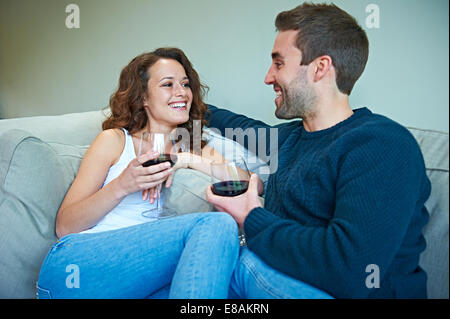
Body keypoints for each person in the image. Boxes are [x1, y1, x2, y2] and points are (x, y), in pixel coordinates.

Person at [205, 3, 431, 298]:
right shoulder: (290, 139)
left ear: (320, 67)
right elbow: (239, 126)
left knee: (225, 254)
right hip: (281, 284)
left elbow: (352, 271)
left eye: (279, 63)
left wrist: (252, 217)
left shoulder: (382, 145)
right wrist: (183, 102)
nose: (268, 77)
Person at [36, 47, 249, 299]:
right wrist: (122, 186)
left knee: (234, 281)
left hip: (140, 281)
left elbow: (246, 183)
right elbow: (65, 226)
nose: (181, 92)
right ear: (143, 97)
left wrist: (185, 159)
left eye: (185, 84)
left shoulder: (193, 149)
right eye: (168, 84)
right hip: (78, 266)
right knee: (216, 224)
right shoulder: (114, 141)